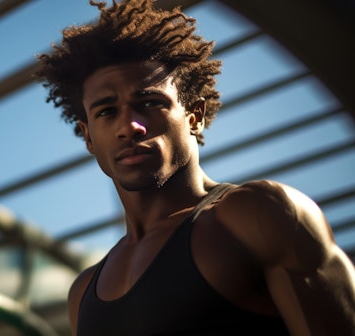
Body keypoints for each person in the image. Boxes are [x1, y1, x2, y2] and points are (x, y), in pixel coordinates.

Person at [35, 0, 355, 335]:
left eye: (149, 103)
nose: (129, 126)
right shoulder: (83, 293)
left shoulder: (260, 215)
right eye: (106, 111)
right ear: (88, 137)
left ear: (194, 117)